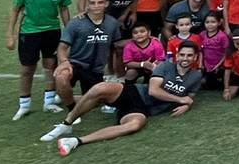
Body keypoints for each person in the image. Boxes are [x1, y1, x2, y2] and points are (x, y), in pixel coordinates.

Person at [53, 43, 204, 157]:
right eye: (182, 55)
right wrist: (180, 100)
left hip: (143, 109)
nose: (185, 58)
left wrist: (186, 105)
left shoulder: (196, 76)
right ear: (177, 56)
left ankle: (75, 141)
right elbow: (153, 90)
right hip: (135, 92)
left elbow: (189, 97)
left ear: (195, 57)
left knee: (134, 125)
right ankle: (67, 122)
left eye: (189, 56)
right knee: (100, 88)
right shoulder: (165, 66)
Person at [40, 0, 121, 141]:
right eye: (92, 3)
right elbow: (62, 47)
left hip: (96, 69)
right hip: (76, 64)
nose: (96, 6)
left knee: (96, 101)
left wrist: (115, 72)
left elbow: (115, 47)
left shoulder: (111, 23)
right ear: (87, 4)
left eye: (100, 2)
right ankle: (71, 110)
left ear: (106, 4)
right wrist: (64, 62)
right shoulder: (76, 22)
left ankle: (65, 97)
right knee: (61, 76)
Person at [7, 0, 71, 120]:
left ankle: (49, 102)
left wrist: (69, 32)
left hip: (52, 31)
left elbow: (64, 9)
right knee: (27, 68)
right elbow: (15, 10)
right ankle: (24, 105)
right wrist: (10, 35)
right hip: (29, 32)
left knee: (50, 65)